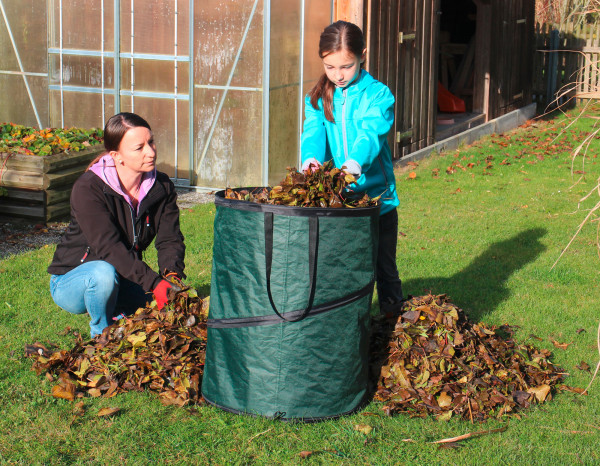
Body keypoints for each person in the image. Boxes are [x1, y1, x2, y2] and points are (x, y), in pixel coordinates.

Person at [48, 112, 186, 337]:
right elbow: (108, 248)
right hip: (73, 280)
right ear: (117, 155)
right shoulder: (88, 189)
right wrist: (153, 282)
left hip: (124, 275)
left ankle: (119, 311)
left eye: (151, 142)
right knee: (103, 273)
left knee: (156, 315)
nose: (151, 152)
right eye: (139, 147)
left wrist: (171, 277)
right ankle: (101, 338)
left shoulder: (161, 186)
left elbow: (169, 238)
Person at [300, 20, 404, 312]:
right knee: (343, 272)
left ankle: (391, 323)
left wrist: (356, 162)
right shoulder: (319, 97)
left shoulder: (379, 95)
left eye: (346, 66)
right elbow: (313, 132)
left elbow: (371, 133)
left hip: (377, 200)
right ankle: (347, 326)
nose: (338, 75)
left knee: (384, 268)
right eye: (330, 67)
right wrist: (310, 157)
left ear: (363, 55)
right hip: (338, 201)